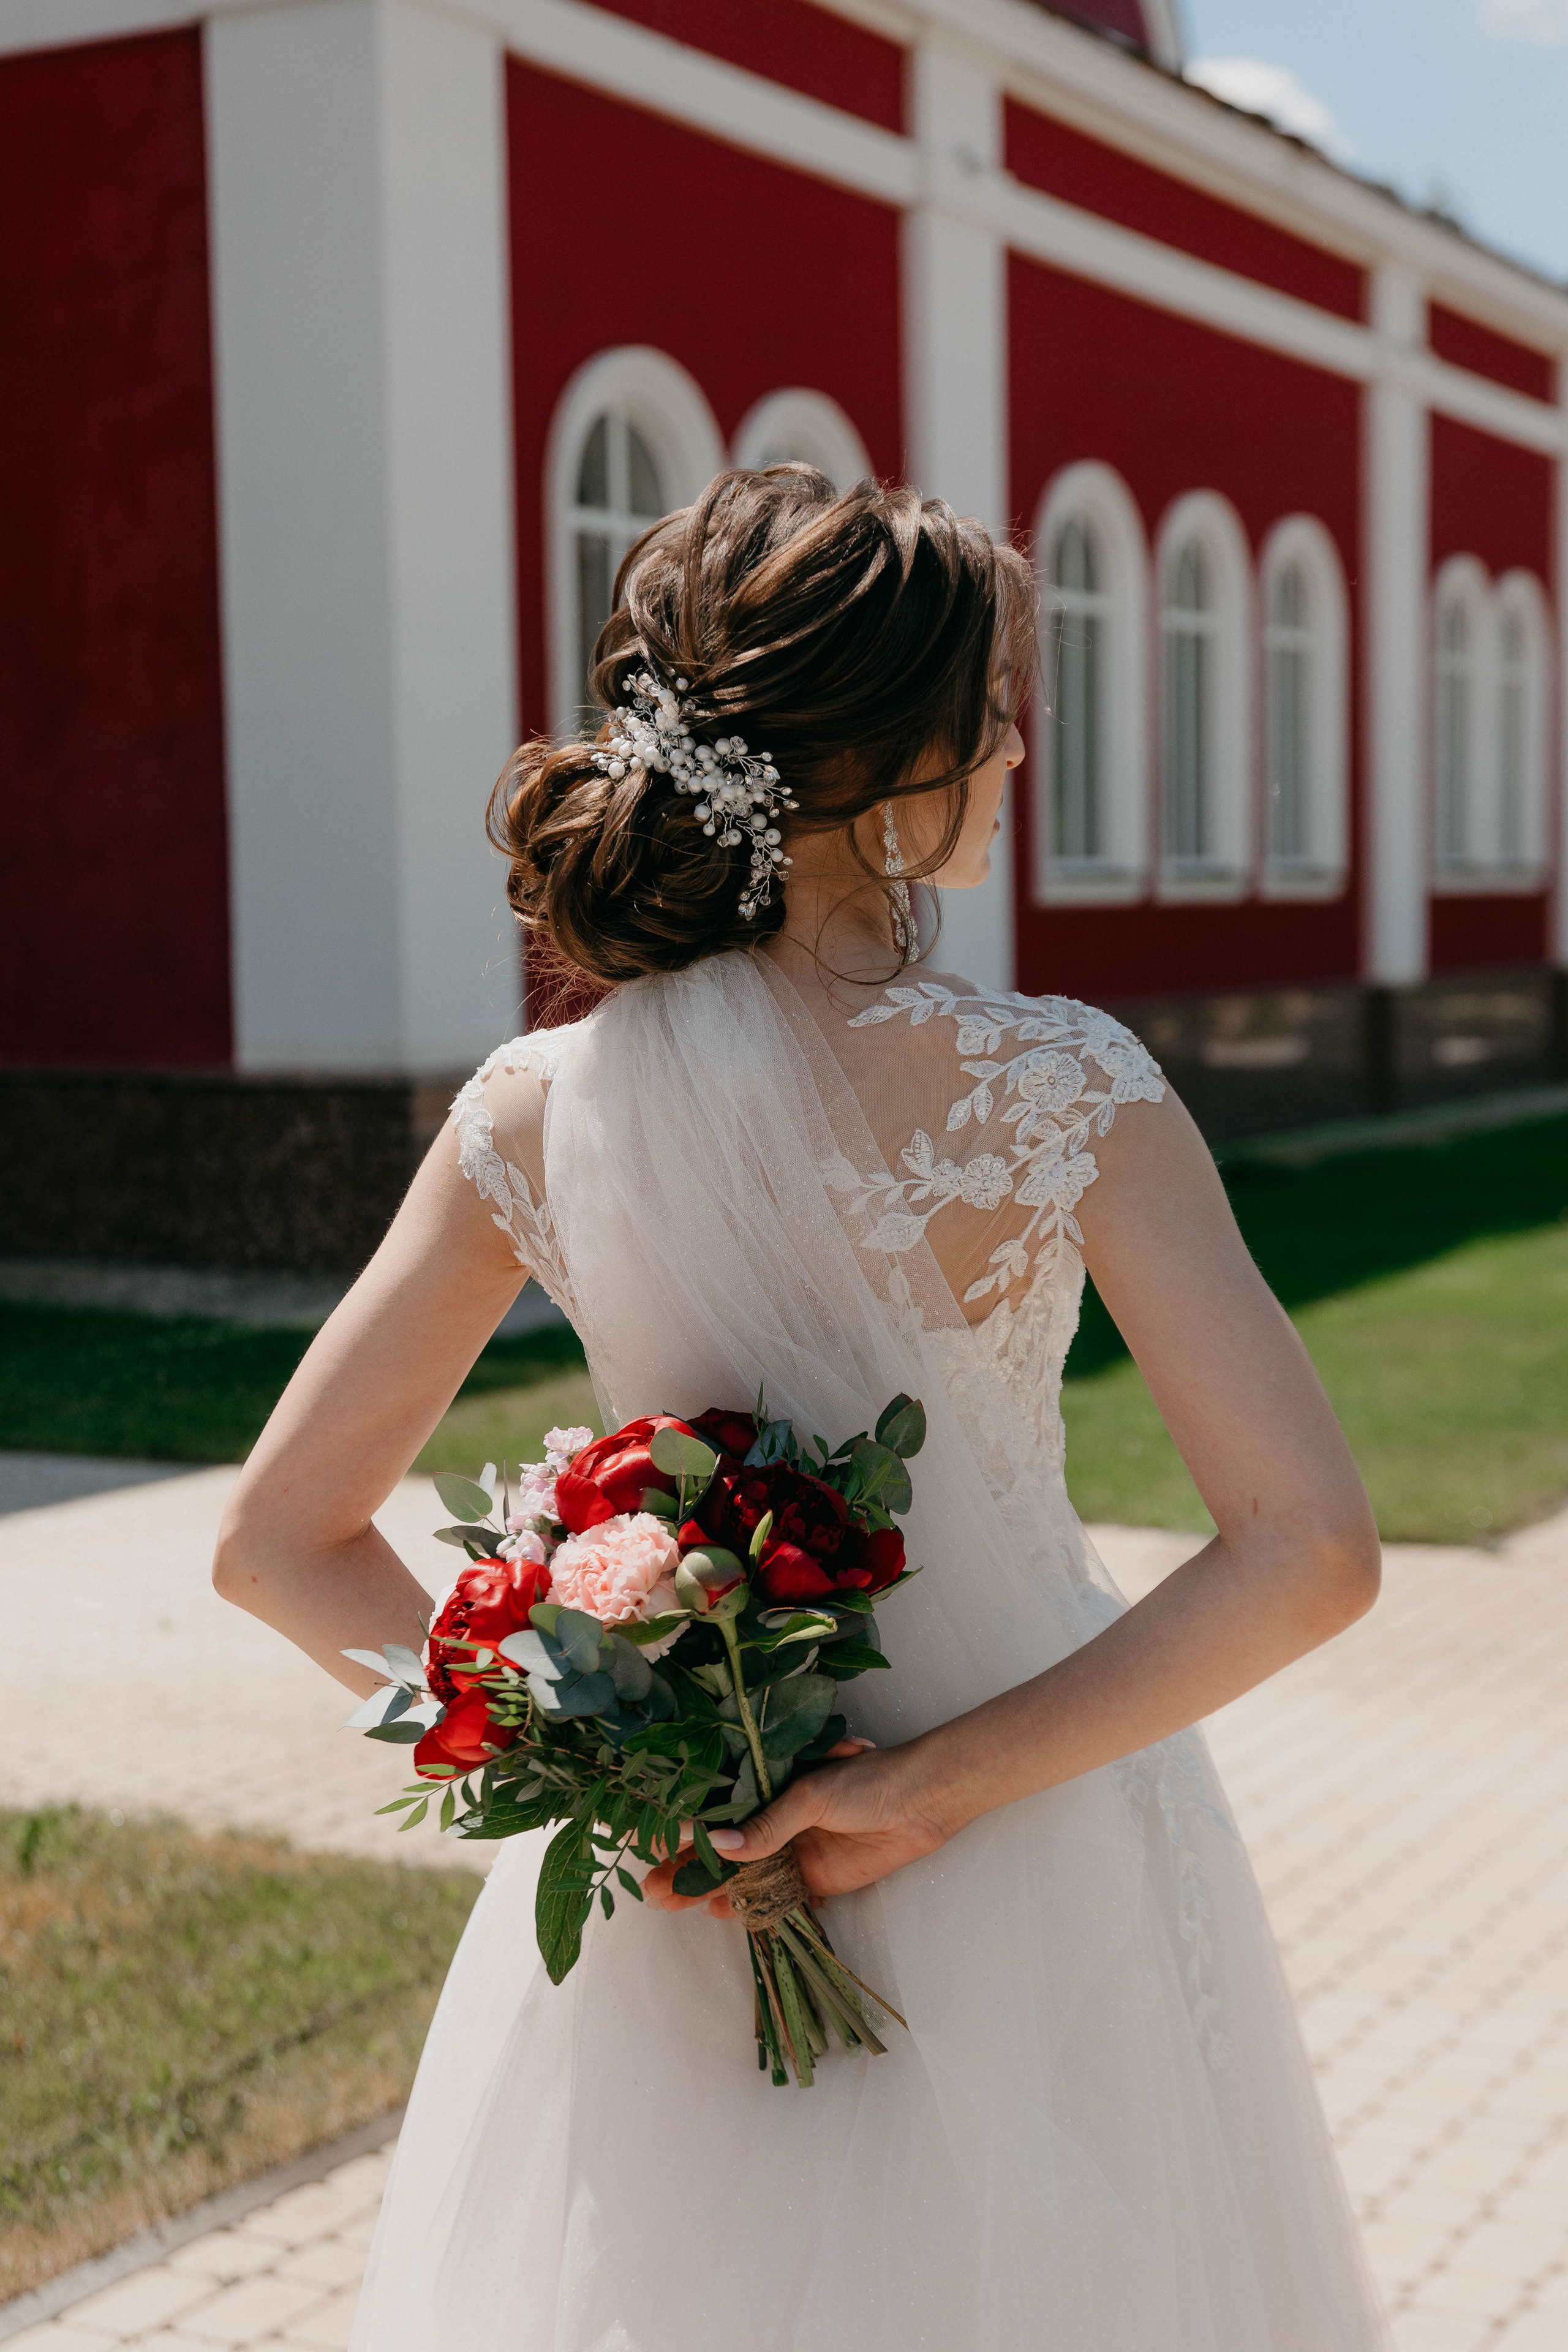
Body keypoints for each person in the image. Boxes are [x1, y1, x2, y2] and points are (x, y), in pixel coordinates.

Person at [216, 468, 1387, 2351]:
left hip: (679, 1896)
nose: (1026, 742)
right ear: (898, 752)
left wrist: (607, 1758)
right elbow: (1312, 1551)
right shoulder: (1071, 1085)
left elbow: (279, 1541)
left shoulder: (536, 1104)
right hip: (1037, 1842)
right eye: (1002, 700)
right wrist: (920, 1794)